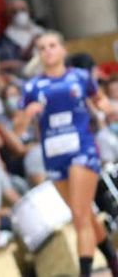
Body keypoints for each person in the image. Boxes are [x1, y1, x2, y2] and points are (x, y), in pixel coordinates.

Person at [21, 31, 118, 276]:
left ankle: (85, 271)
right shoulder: (32, 86)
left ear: (63, 50)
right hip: (53, 155)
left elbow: (101, 102)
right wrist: (26, 114)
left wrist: (110, 110)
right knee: (85, 214)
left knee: (79, 216)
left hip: (81, 150)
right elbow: (18, 126)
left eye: (52, 45)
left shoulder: (80, 77)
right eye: (42, 48)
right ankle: (113, 260)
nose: (48, 51)